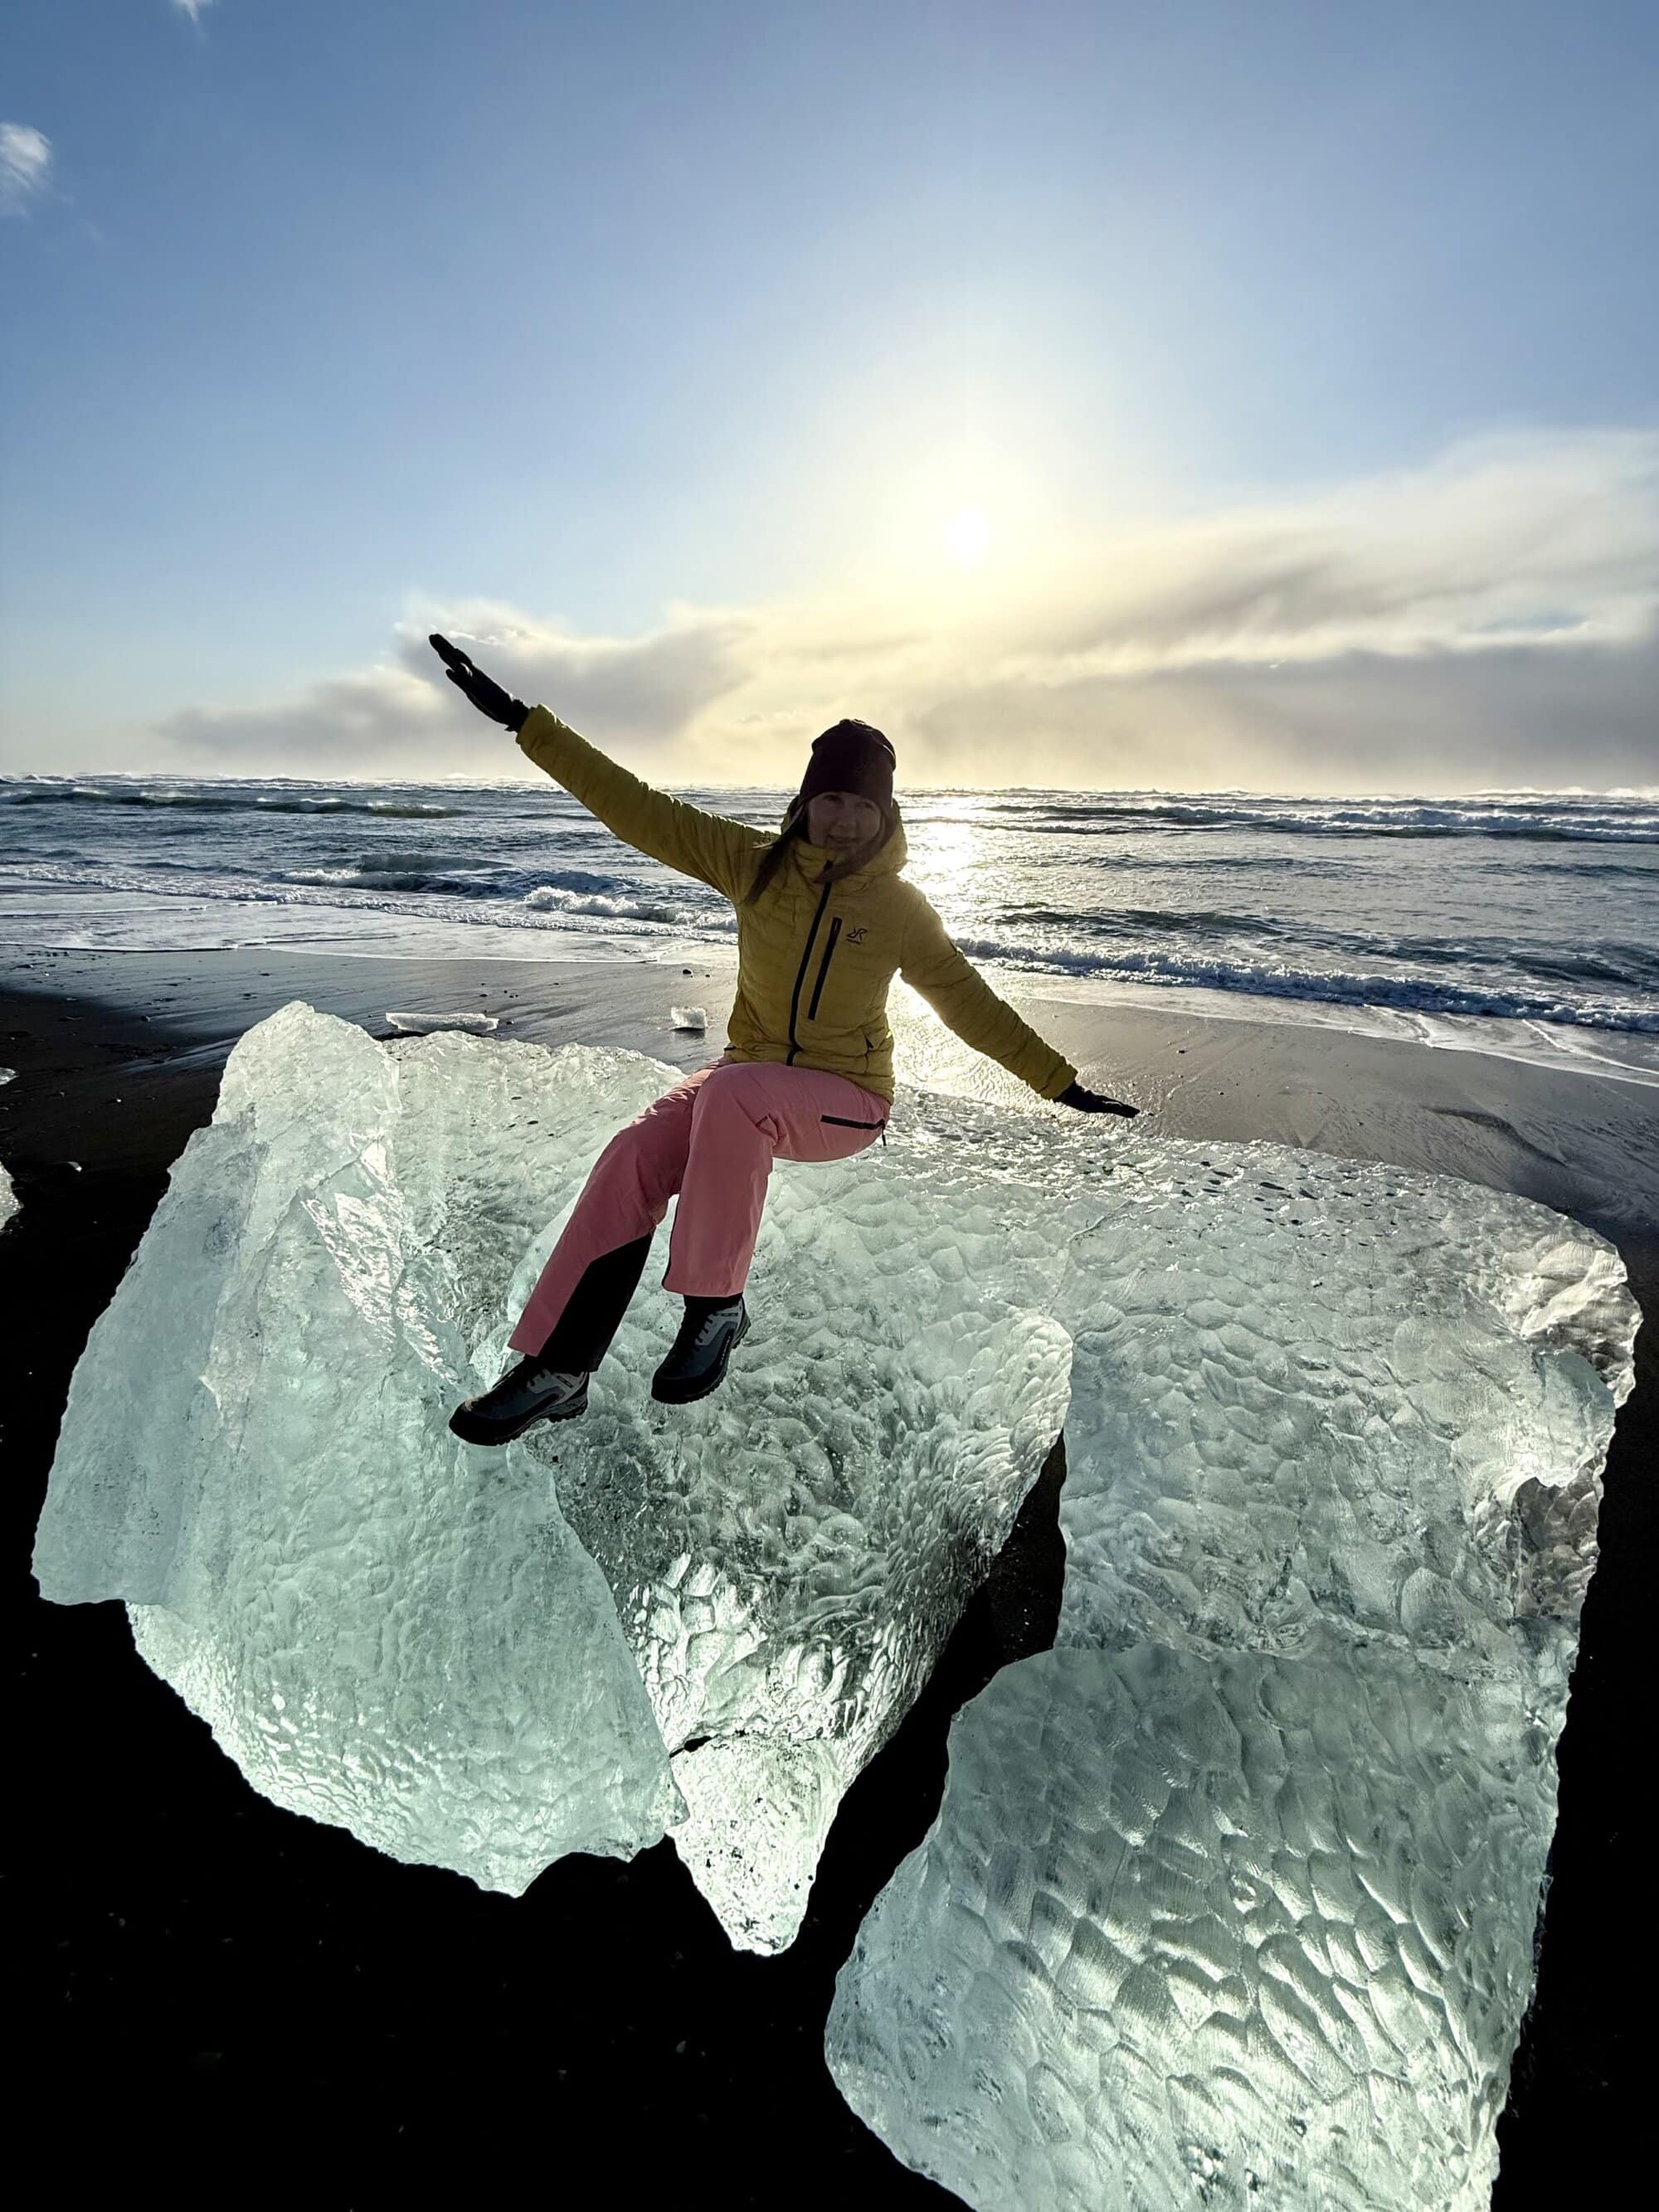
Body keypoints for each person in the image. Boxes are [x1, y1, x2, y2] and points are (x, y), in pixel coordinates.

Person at [431, 633, 1138, 1445]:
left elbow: (965, 1001)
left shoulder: (899, 909)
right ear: (806, 801)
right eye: (830, 799)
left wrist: (1058, 1083)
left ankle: (716, 1308)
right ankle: (559, 1369)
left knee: (733, 1093)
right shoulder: (751, 864)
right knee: (633, 1154)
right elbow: (632, 806)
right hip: (744, 1083)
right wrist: (524, 723)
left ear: (885, 815)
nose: (843, 819)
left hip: (846, 1102)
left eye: (861, 805)